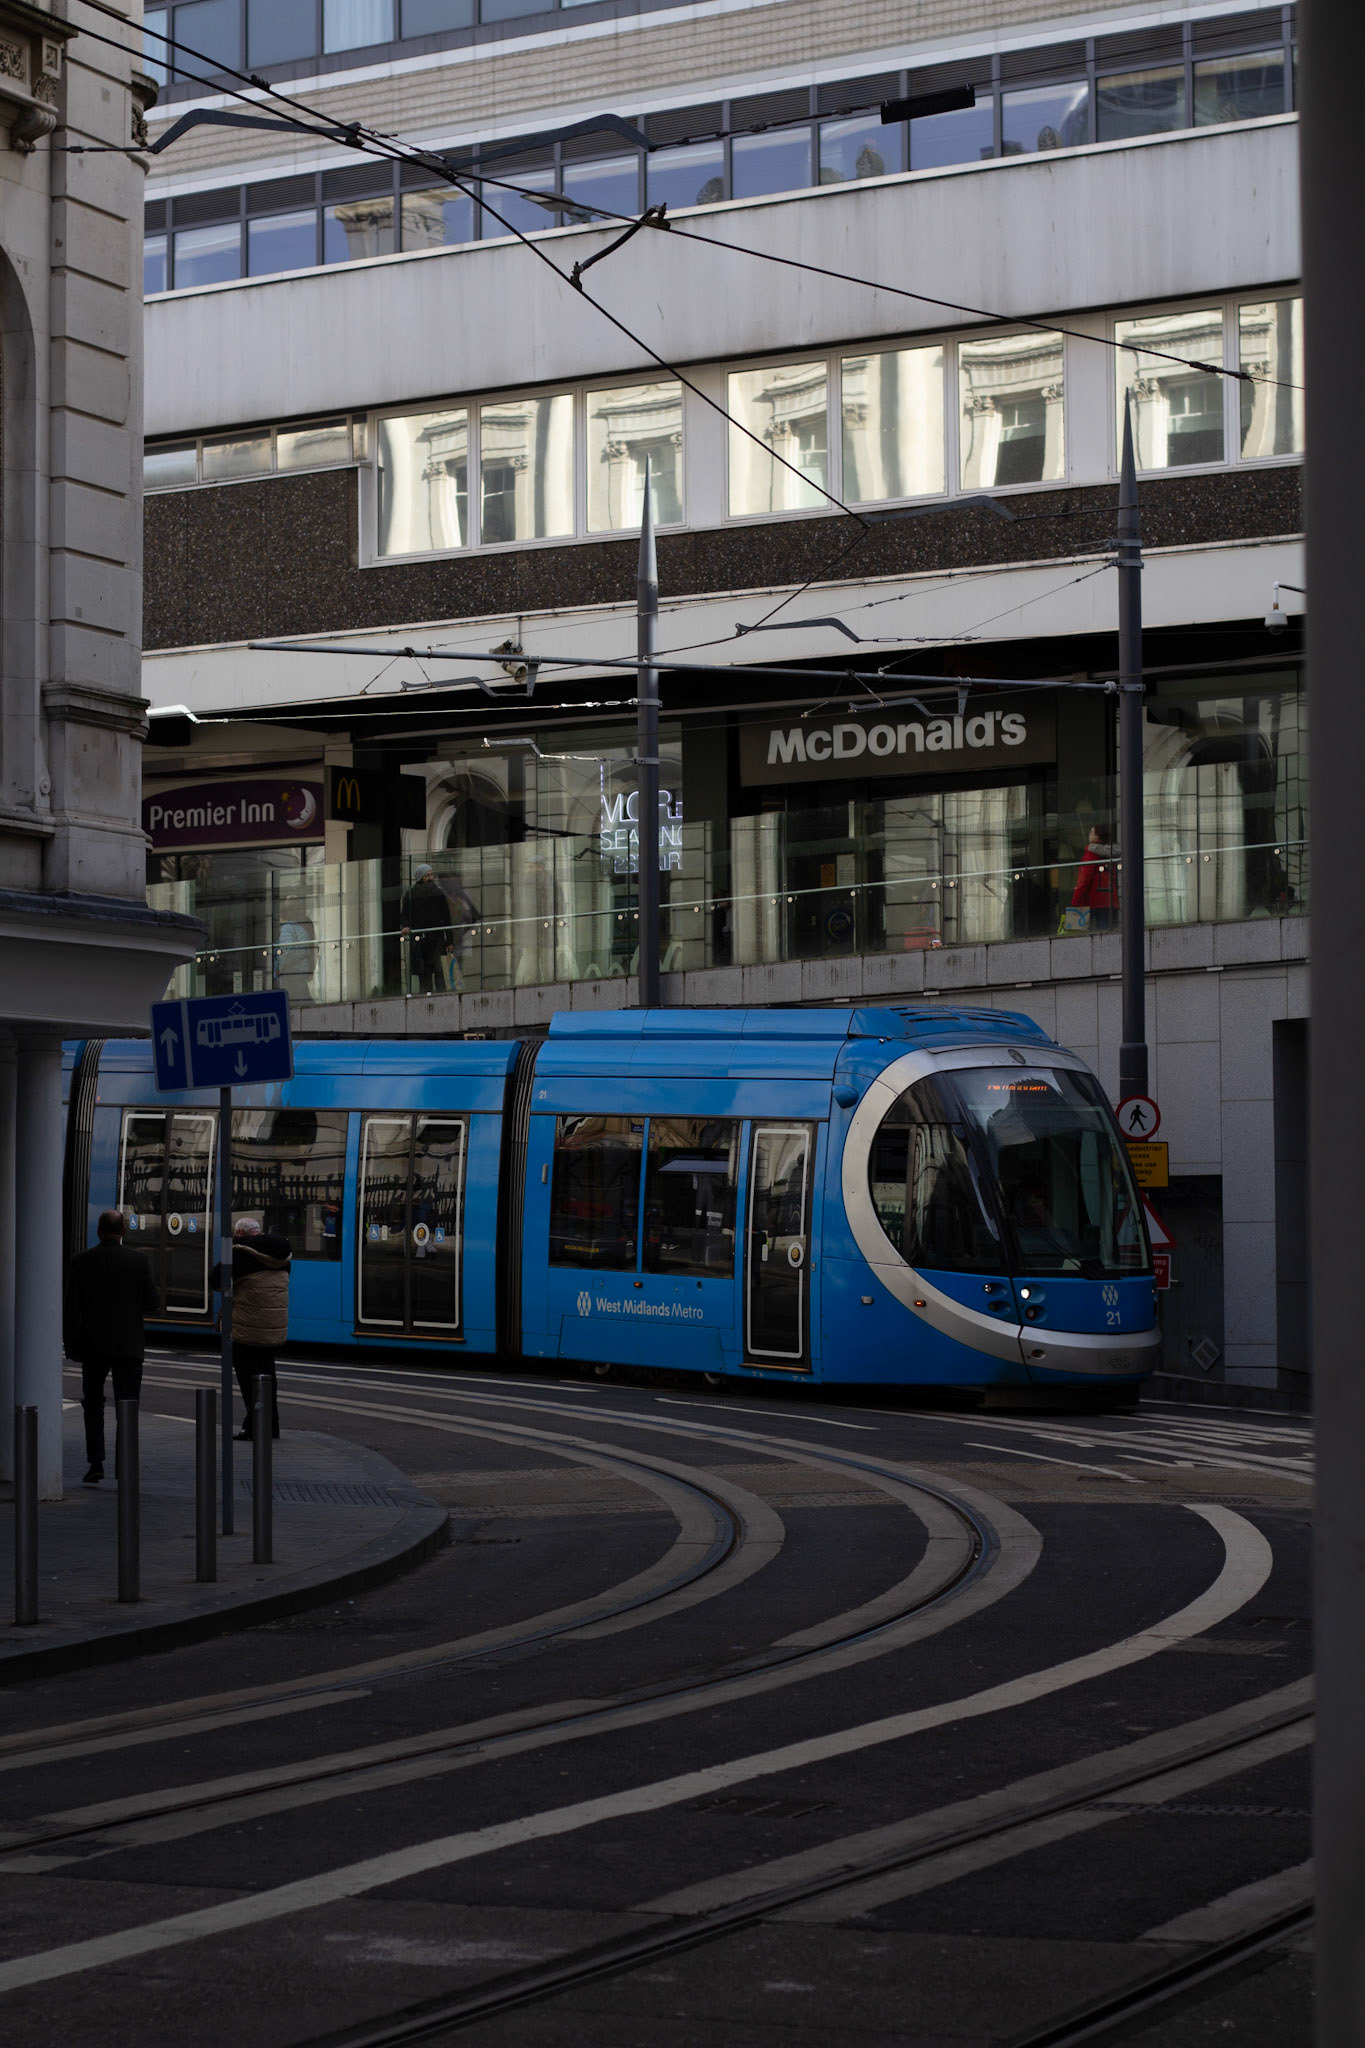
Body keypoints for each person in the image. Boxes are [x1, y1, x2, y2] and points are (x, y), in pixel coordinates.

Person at [63, 1209, 160, 1486]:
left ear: (98, 1231)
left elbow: (71, 1309)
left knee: (92, 1405)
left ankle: (95, 1464)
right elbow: (151, 1302)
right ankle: (125, 1468)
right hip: (129, 1346)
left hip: (93, 1346)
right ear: (124, 1232)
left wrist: (72, 1346)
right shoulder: (138, 1261)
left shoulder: (81, 1261)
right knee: (126, 1406)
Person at [211, 1217, 290, 1440]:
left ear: (241, 1234)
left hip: (246, 1329)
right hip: (273, 1328)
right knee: (267, 1378)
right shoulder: (282, 1256)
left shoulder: (238, 1254)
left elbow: (215, 1281)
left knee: (248, 1380)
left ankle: (255, 1427)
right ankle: (271, 1426)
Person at [400, 863, 455, 994]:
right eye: (427, 875)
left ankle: (442, 1000)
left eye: (431, 874)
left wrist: (450, 941)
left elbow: (447, 918)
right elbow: (404, 915)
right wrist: (406, 926)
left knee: (439, 973)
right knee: (424, 975)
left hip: (436, 939)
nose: (431, 878)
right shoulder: (411, 894)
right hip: (420, 940)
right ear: (420, 878)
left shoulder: (438, 892)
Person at [1070, 822, 1118, 932]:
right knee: (1109, 935)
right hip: (1111, 900)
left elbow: (1084, 880)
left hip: (1094, 902)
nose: (1089, 835)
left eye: (1091, 832)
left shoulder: (1091, 854)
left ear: (1098, 836)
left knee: (1086, 936)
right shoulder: (1111, 854)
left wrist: (1075, 902)